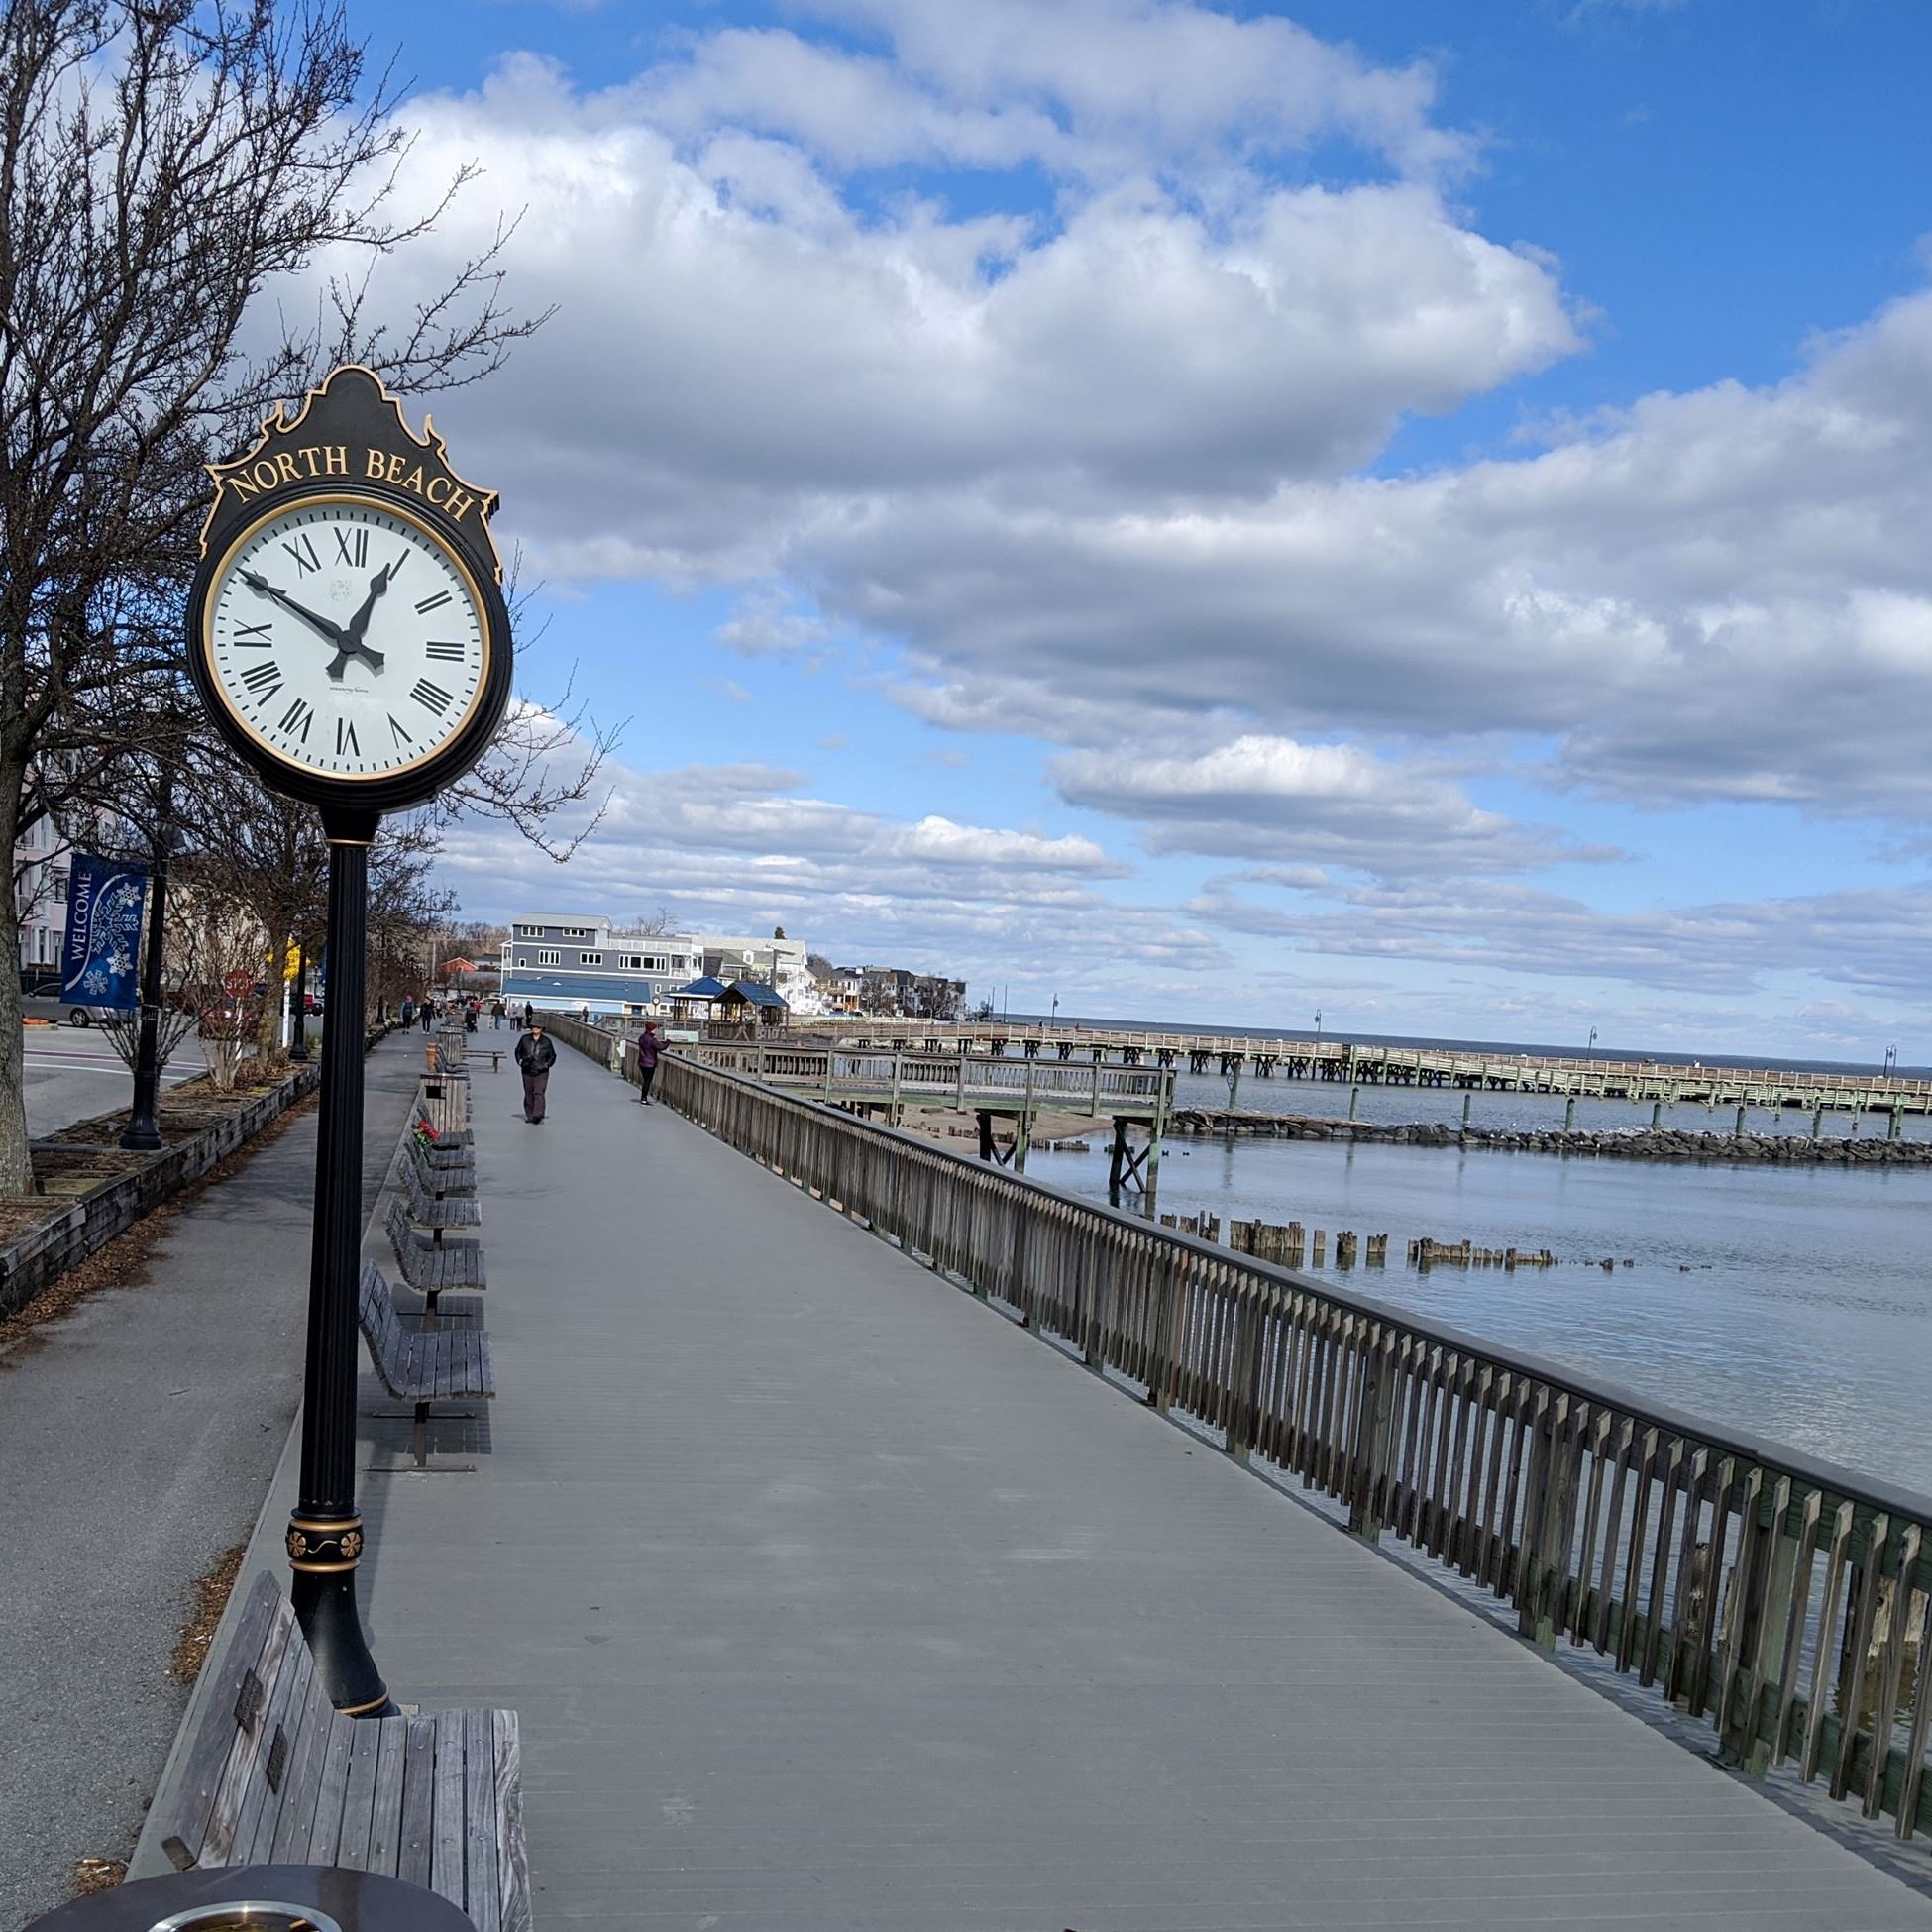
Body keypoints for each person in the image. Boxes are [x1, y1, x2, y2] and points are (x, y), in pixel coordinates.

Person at [515, 1020, 556, 1125]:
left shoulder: (546, 1042)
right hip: (527, 1069)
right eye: (533, 1027)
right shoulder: (525, 1039)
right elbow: (518, 1051)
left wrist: (546, 1065)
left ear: (542, 1029)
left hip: (541, 1071)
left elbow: (552, 1056)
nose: (535, 1029)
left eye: (538, 1027)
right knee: (528, 1092)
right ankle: (530, 1115)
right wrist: (520, 1061)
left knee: (538, 1092)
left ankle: (537, 1114)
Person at [635, 1021, 663, 1105]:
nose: (656, 1030)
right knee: (647, 1081)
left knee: (645, 1080)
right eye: (655, 1029)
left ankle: (643, 1097)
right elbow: (660, 1047)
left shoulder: (642, 1038)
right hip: (650, 1063)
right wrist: (668, 1042)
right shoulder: (652, 1040)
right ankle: (644, 1098)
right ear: (652, 1030)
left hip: (642, 1062)